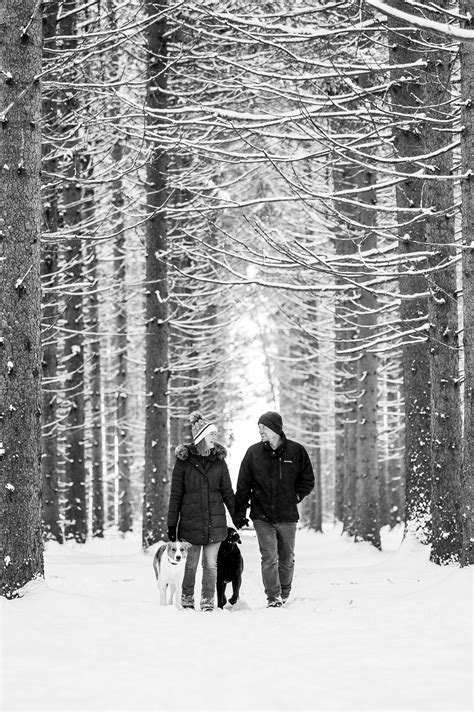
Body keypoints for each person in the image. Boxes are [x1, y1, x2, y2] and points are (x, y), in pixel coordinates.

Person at [234, 411, 314, 608]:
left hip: (287, 516)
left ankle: (285, 591)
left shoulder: (296, 451)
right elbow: (243, 485)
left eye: (264, 427)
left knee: (286, 558)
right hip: (262, 515)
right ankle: (273, 597)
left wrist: (296, 496)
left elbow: (308, 480)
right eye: (259, 427)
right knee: (269, 557)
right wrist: (240, 513)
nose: (260, 431)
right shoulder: (253, 453)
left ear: (275, 429)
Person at [167, 411, 235, 612]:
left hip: (215, 522)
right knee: (191, 565)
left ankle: (207, 601)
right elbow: (176, 495)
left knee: (211, 565)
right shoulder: (184, 461)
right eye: (212, 434)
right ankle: (187, 599)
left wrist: (237, 516)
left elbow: (227, 492)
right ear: (202, 437)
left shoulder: (219, 461)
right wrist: (172, 524)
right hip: (191, 523)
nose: (215, 437)